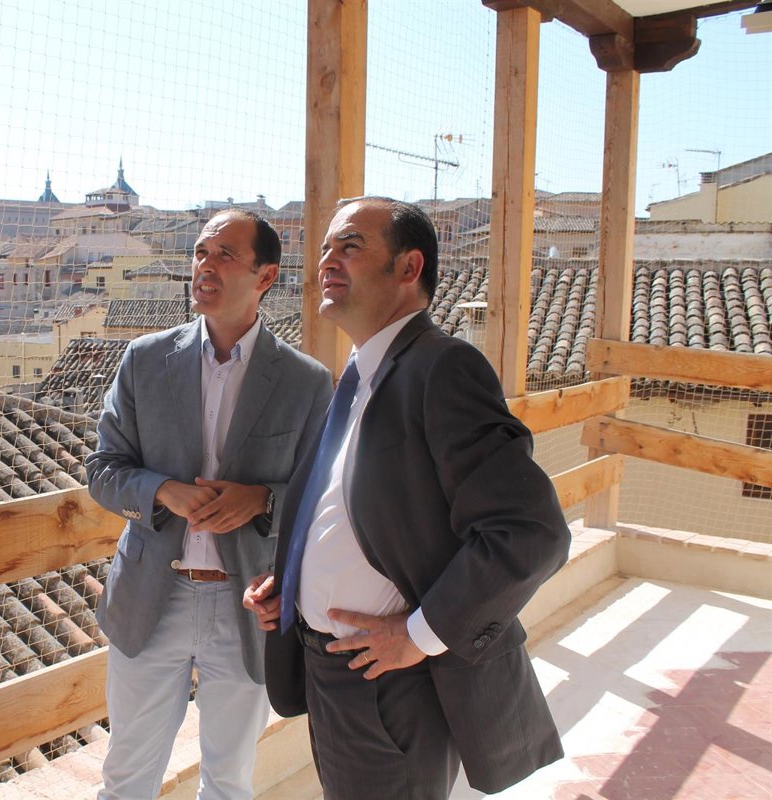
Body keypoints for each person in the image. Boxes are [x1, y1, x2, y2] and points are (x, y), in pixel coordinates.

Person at [244, 197, 570, 799]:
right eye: (324, 249)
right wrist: (293, 584)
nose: (327, 262)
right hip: (328, 671)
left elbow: (531, 532)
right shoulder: (357, 379)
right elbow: (357, 512)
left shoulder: (443, 369)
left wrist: (418, 635)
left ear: (408, 266)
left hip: (389, 686)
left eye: (350, 246)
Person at [86, 209, 332, 800]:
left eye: (225, 255)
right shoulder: (145, 360)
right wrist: (162, 492)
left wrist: (262, 500)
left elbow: (322, 497)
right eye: (200, 252)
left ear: (265, 276)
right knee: (126, 778)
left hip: (247, 607)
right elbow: (103, 471)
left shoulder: (306, 381)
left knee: (228, 782)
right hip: (151, 598)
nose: (205, 266)